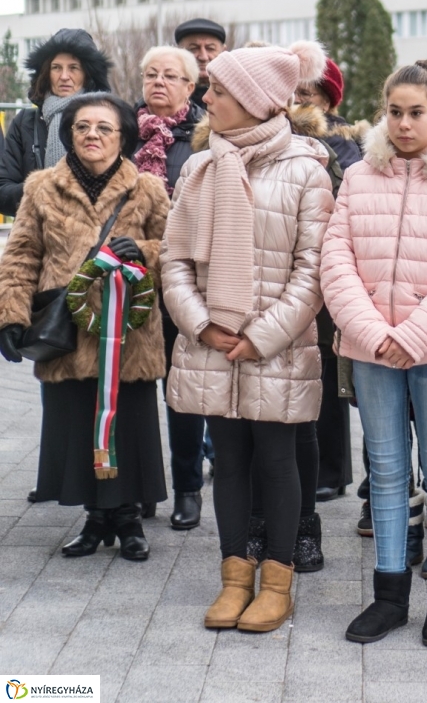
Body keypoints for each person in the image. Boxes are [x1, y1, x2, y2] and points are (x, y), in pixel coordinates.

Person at [162, 41, 334, 634]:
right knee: (229, 459)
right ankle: (235, 579)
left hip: (274, 347)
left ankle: (277, 582)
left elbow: (313, 272)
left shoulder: (307, 171)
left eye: (219, 91)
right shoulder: (198, 166)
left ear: (256, 101)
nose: (207, 99)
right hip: (210, 342)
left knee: (278, 459)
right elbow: (174, 259)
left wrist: (259, 336)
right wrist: (202, 323)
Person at [322, 60, 427, 649]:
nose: (403, 122)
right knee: (388, 470)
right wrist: (372, 333)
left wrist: (413, 336)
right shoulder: (359, 177)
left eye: (416, 112)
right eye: (394, 111)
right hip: (372, 350)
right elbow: (335, 261)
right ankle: (389, 595)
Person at [0, 92, 170, 560]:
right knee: (77, 421)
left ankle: (130, 518)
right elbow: (21, 255)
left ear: (123, 137)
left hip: (129, 335)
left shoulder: (149, 190)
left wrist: (147, 253)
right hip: (66, 333)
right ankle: (95, 518)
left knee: (127, 425)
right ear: (69, 134)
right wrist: (11, 316)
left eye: (103, 127)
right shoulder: (40, 188)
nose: (91, 134)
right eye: (82, 127)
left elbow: (176, 248)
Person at [127, 45, 210, 531]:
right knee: (136, 390)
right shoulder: (123, 133)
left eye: (170, 76)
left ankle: (188, 489)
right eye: (151, 74)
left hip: (181, 279)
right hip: (131, 284)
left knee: (181, 394)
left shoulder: (203, 137)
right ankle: (141, 490)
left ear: (190, 86)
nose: (158, 82)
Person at [292, 58, 366, 504]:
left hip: (328, 269)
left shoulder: (343, 140)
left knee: (328, 368)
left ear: (327, 96)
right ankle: (314, 466)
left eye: (308, 90)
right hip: (294, 269)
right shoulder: (285, 130)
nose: (298, 96)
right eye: (295, 89)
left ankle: (332, 471)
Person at [1, 28, 112, 217]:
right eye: (56, 67)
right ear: (46, 72)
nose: (64, 76)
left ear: (87, 74)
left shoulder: (109, 121)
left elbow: (121, 186)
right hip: (36, 238)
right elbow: (3, 192)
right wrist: (44, 188)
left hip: (94, 237)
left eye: (73, 68)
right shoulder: (25, 123)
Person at [175, 19, 227, 109]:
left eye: (210, 48)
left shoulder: (237, 98)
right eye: (194, 48)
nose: (203, 57)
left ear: (223, 52)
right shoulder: (165, 97)